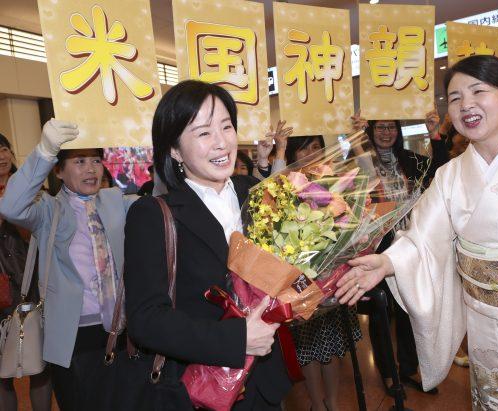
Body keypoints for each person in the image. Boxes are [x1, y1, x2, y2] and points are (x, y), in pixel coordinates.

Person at [335, 55, 498, 409]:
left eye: (479, 91)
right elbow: (422, 238)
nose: (466, 105)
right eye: (456, 98)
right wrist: (386, 262)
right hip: (484, 326)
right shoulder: (450, 175)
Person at [123, 80, 291, 410]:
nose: (221, 143)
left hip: (267, 384)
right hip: (202, 389)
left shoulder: (258, 193)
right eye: (203, 133)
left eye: (226, 127)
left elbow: (289, 267)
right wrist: (238, 338)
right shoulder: (154, 215)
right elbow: (146, 319)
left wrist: (318, 288)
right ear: (174, 149)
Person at [0, 122, 138, 411]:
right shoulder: (49, 210)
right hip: (74, 335)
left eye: (96, 160)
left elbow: (163, 205)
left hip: (121, 329)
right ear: (58, 170)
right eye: (79, 161)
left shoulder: (116, 201)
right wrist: (45, 150)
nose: (91, 169)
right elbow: (11, 206)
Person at [349, 111, 448, 395]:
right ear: (371, 131)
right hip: (375, 247)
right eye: (380, 127)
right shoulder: (359, 162)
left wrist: (435, 135)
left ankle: (409, 368)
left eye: (391, 127)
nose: (386, 132)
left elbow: (440, 171)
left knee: (409, 310)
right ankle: (389, 373)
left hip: (408, 247)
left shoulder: (409, 159)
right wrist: (357, 140)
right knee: (381, 313)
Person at [281, 135, 362, 411]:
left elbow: (352, 226)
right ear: (293, 152)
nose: (311, 153)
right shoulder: (284, 189)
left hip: (333, 279)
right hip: (302, 284)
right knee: (308, 350)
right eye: (304, 147)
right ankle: (316, 404)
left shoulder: (336, 187)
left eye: (316, 147)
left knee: (332, 346)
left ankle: (334, 404)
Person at [0, 134, 53, 411]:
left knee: (39, 363)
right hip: (1, 292)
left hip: (32, 285)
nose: (1, 155)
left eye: (5, 148)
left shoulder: (32, 189)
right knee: (2, 371)